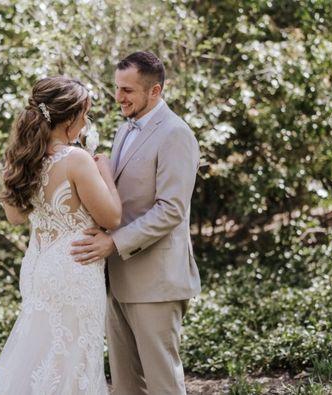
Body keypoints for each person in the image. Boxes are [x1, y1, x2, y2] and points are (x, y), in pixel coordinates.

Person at [71, 51, 201, 395]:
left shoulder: (176, 134)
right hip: (117, 277)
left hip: (156, 281)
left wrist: (113, 242)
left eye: (127, 90)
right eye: (117, 88)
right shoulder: (123, 129)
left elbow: (171, 210)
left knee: (162, 384)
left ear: (155, 91)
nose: (119, 97)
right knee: (126, 386)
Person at [0, 76, 121, 395]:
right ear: (70, 117)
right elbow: (112, 216)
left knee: (41, 355)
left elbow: (15, 217)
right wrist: (107, 176)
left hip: (39, 265)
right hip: (74, 270)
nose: (86, 123)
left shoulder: (25, 157)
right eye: (85, 115)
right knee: (73, 362)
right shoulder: (77, 160)